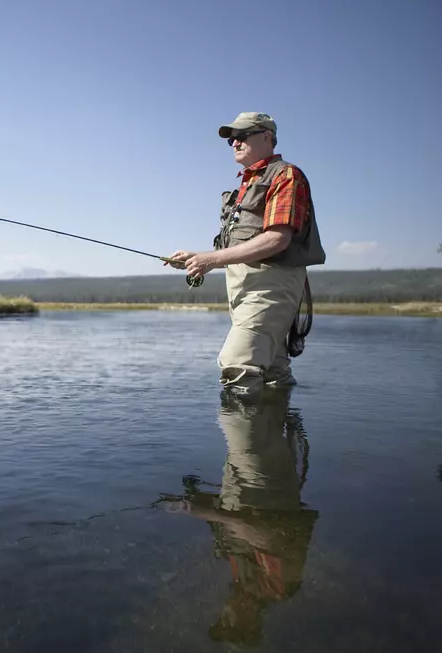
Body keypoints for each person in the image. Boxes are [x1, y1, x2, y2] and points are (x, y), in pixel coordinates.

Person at [166, 112, 326, 396]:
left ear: (266, 136)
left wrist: (210, 260)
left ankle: (244, 441)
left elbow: (278, 238)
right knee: (273, 372)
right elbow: (239, 244)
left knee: (237, 367)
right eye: (231, 140)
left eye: (242, 136)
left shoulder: (286, 175)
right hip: (243, 290)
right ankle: (275, 438)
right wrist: (197, 257)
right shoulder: (247, 183)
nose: (235, 143)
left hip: (271, 287)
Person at [158, 390, 319, 646]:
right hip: (264, 490)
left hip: (245, 489)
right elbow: (267, 535)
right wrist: (213, 515)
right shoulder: (279, 587)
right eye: (229, 622)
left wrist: (192, 506)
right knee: (238, 415)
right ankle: (250, 379)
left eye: (222, 619)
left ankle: (265, 381)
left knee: (245, 413)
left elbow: (235, 525)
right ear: (252, 624)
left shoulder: (243, 583)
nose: (225, 612)